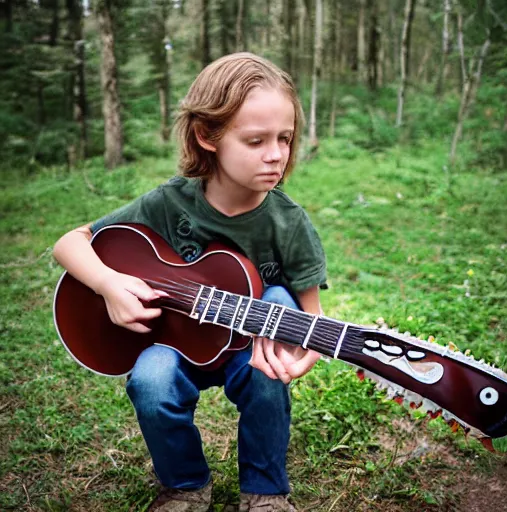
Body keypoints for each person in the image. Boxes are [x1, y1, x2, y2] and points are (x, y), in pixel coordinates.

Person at [53, 52, 327, 512]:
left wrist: (308, 353)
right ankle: (184, 485)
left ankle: (265, 492)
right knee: (150, 381)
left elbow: (313, 315)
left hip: (250, 347)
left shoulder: (289, 222)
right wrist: (108, 284)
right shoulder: (168, 202)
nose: (276, 154)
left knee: (278, 302)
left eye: (285, 138)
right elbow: (70, 242)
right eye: (256, 140)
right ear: (207, 136)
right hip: (178, 342)